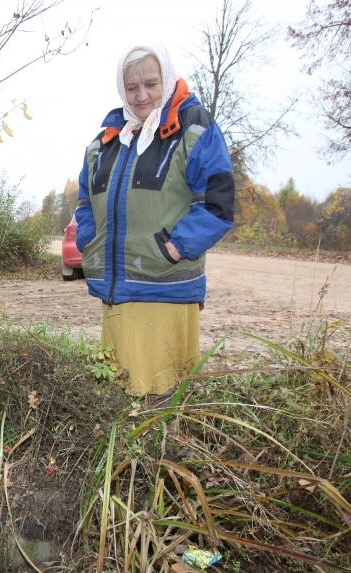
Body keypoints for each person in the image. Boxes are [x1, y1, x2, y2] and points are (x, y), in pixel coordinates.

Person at [75, 44, 235, 397]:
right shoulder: (105, 142)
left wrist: (174, 249)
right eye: (132, 87)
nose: (141, 94)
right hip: (117, 295)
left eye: (150, 83)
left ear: (166, 77)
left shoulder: (193, 128)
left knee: (164, 399)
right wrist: (90, 240)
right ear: (122, 88)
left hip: (166, 290)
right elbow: (85, 200)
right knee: (119, 395)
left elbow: (218, 203)